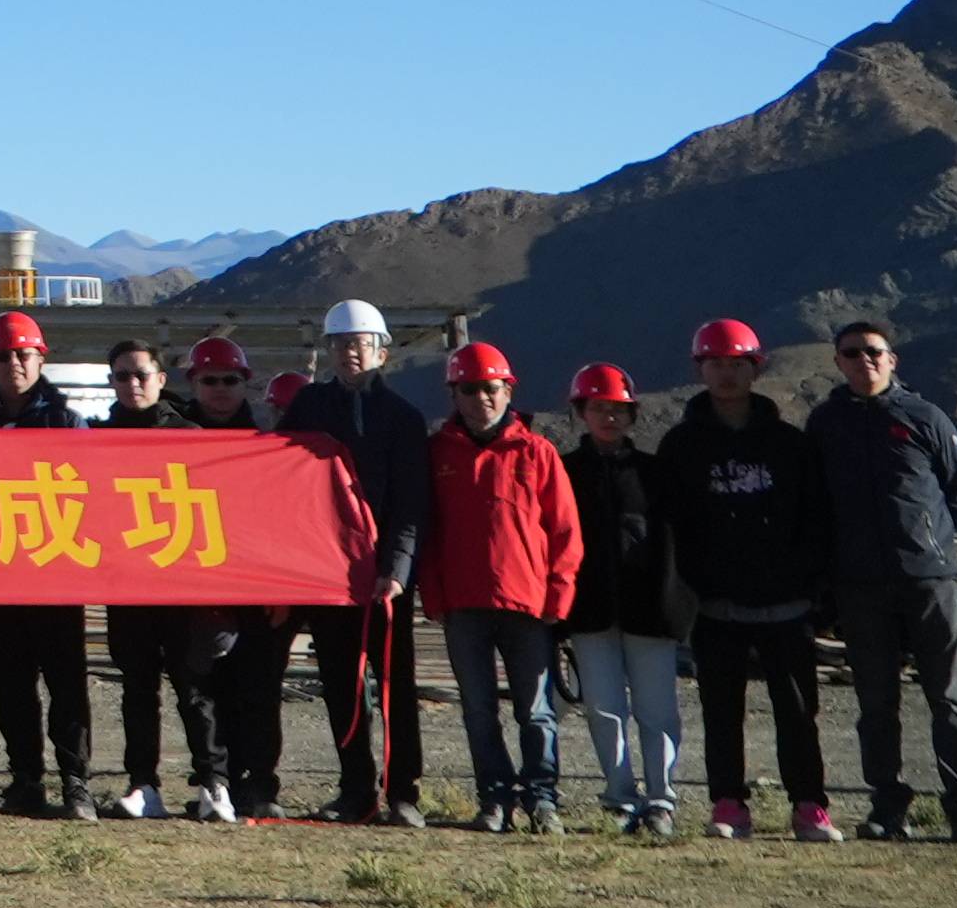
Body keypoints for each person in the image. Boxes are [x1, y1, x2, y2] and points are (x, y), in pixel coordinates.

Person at [808, 319, 957, 843]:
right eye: (852, 353)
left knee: (948, 699)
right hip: (859, 585)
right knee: (876, 703)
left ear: (892, 359)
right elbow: (814, 501)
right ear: (837, 362)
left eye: (874, 352)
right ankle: (888, 806)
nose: (864, 361)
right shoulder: (825, 424)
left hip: (929, 580)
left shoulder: (925, 417)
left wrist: (929, 544)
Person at [662, 315, 833, 841]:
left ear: (755, 368)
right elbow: (673, 524)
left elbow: (816, 516)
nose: (727, 374)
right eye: (715, 362)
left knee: (799, 711)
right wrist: (690, 590)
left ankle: (809, 805)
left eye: (737, 363)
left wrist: (810, 586)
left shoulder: (789, 444)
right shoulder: (681, 446)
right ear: (700, 369)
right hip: (716, 606)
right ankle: (728, 804)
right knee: (720, 711)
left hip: (785, 603)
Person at [283, 303, 433, 826]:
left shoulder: (404, 419)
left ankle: (403, 792)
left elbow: (412, 501)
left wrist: (396, 569)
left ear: (381, 351)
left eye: (361, 342)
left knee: (395, 684)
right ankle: (355, 790)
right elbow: (283, 481)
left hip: (386, 576)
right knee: (341, 684)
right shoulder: (307, 407)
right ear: (329, 351)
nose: (351, 351)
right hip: (328, 573)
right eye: (342, 342)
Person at [425, 343, 579, 833]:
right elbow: (426, 531)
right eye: (469, 389)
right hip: (464, 606)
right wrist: (435, 594)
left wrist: (559, 597)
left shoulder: (537, 452)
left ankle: (542, 798)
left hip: (528, 604)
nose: (480, 398)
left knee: (536, 711)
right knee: (478, 709)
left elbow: (565, 532)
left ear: (507, 390)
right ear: (454, 393)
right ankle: (494, 798)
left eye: (490, 388)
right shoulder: (437, 454)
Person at [0, 309, 94, 821]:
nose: (13, 362)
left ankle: (75, 781)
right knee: (10, 683)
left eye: (22, 353)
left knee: (66, 684)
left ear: (40, 357)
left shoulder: (67, 421)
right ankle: (26, 779)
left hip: (56, 572)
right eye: (3, 354)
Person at [93, 338, 229, 821]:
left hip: (181, 584)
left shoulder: (192, 436)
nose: (132, 384)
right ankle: (143, 784)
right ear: (110, 382)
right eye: (122, 376)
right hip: (126, 583)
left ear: (161, 379)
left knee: (194, 686)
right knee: (137, 687)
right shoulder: (96, 440)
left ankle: (214, 783)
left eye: (141, 374)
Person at [557, 363, 678, 837]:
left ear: (633, 416)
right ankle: (620, 796)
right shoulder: (564, 472)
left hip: (649, 611)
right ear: (581, 412)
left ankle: (661, 799)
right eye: (599, 408)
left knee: (657, 708)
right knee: (604, 708)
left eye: (619, 410)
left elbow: (674, 544)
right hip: (589, 612)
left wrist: (674, 607)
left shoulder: (655, 474)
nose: (610, 417)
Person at [180, 336, 282, 823]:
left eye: (229, 380)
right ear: (192, 384)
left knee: (258, 689)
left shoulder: (272, 442)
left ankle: (259, 784)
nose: (219, 389)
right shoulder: (170, 439)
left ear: (246, 383)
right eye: (209, 380)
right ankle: (214, 781)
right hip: (193, 583)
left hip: (255, 585)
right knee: (202, 693)